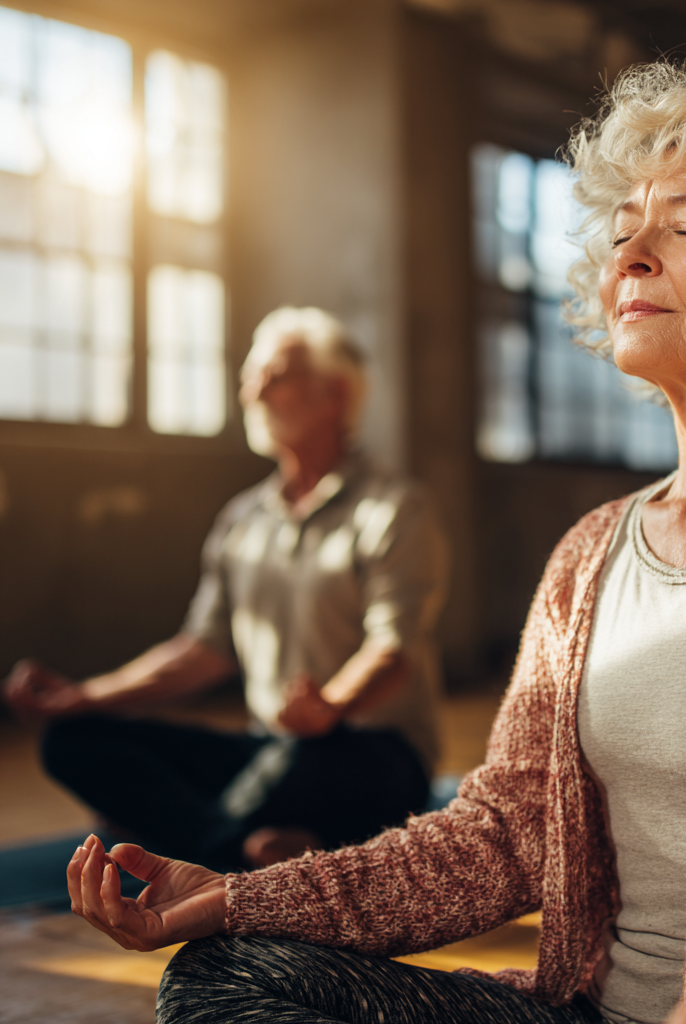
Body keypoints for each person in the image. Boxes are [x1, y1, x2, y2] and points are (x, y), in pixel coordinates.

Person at [62, 47, 686, 1024]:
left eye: (684, 227)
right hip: (592, 1010)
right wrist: (232, 895)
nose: (631, 256)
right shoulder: (589, 553)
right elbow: (503, 834)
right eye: (623, 231)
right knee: (227, 971)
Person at [6, 306, 449, 871]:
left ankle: (196, 837)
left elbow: (393, 647)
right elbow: (202, 651)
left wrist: (331, 705)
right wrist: (84, 697)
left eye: (276, 375)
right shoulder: (243, 520)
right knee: (70, 742)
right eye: (250, 374)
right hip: (269, 747)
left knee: (289, 774)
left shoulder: (394, 507)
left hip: (372, 754)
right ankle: (246, 848)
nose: (253, 390)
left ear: (333, 394)